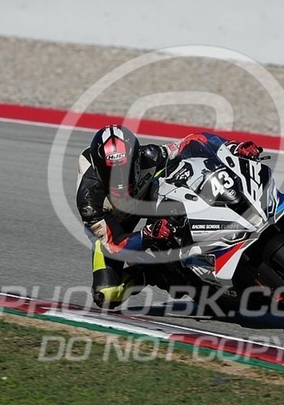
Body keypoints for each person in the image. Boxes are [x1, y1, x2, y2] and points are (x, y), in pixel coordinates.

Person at [76, 124, 263, 308]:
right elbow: (115, 245)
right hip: (114, 228)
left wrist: (232, 147)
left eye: (124, 170)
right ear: (98, 169)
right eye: (110, 173)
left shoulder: (149, 155)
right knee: (107, 294)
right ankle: (151, 273)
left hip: (149, 199)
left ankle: (209, 233)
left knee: (184, 181)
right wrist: (147, 235)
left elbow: (192, 141)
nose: (119, 181)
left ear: (136, 160)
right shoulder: (89, 202)